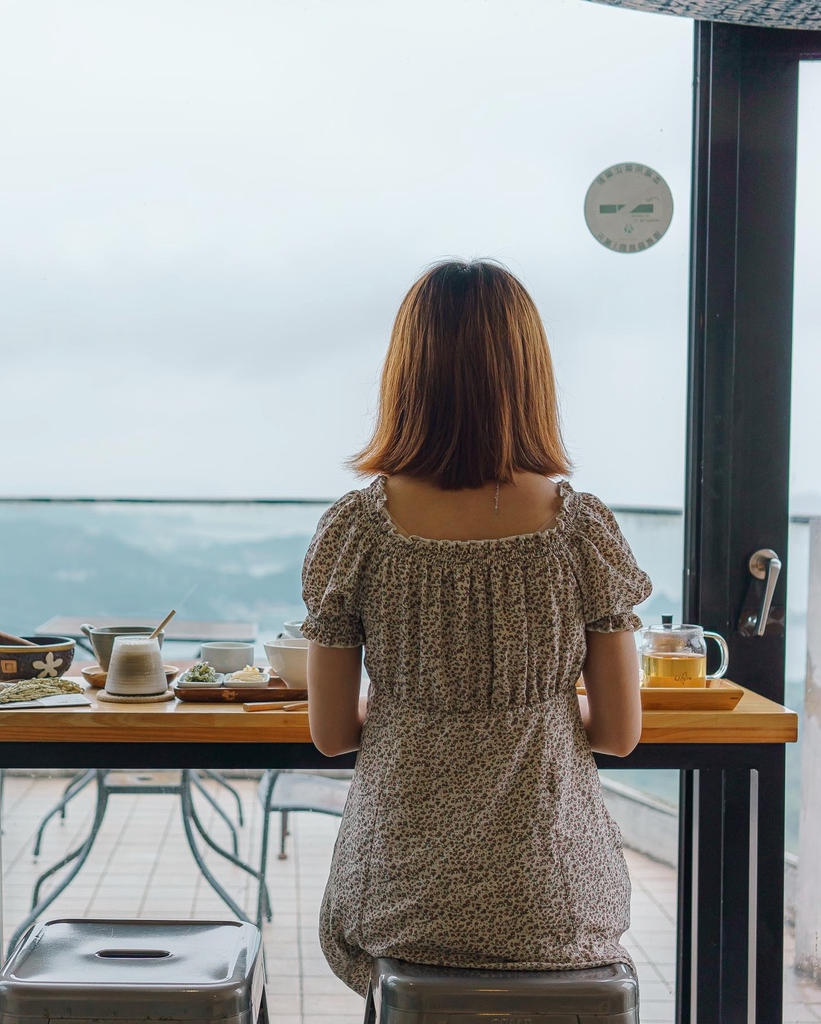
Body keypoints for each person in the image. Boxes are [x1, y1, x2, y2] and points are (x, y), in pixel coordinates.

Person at [300, 258, 652, 996]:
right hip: (555, 901)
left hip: (398, 901)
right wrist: (530, 712)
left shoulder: (356, 531)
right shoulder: (581, 530)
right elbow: (619, 732)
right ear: (530, 376)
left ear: (406, 375)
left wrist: (419, 704)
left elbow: (332, 733)